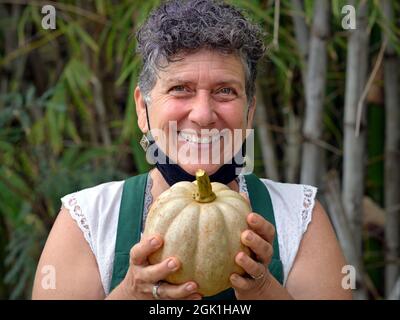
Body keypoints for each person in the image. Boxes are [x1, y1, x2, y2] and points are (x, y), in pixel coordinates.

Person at [32, 0, 351, 300]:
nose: (202, 114)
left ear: (249, 112)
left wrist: (265, 290)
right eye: (180, 89)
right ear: (143, 109)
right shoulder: (90, 219)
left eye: (225, 91)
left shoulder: (298, 217)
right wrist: (131, 291)